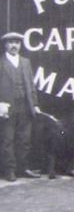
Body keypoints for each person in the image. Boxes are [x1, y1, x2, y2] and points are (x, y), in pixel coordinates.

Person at [0, 31, 40, 181]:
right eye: (10, 42)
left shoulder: (25, 62)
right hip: (7, 107)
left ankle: (23, 168)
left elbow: (31, 85)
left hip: (25, 105)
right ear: (5, 45)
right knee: (7, 140)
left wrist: (35, 104)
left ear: (20, 45)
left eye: (16, 42)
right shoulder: (1, 63)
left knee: (24, 139)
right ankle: (9, 170)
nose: (14, 45)